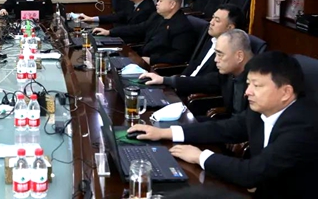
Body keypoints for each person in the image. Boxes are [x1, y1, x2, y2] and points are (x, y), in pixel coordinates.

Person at [128, 51, 318, 199]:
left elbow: (252, 173)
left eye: (257, 86)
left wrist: (200, 156)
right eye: (248, 84)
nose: (247, 92)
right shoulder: (261, 109)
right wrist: (164, 133)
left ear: (286, 92)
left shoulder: (303, 127)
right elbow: (224, 128)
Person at [140, 29, 253, 118]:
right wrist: (164, 79)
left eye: (220, 54)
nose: (215, 60)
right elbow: (201, 81)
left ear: (239, 56)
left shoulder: (258, 82)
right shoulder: (228, 74)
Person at [93, 0, 196, 65]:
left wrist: (151, 60)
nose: (157, 3)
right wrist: (110, 32)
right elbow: (138, 28)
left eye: (160, 1)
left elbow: (179, 56)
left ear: (172, 4)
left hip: (156, 67)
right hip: (141, 57)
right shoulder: (157, 16)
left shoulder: (182, 26)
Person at [181, 3, 246, 77]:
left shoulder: (229, 53)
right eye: (213, 18)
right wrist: (180, 78)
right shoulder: (212, 40)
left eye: (217, 20)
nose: (211, 22)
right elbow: (195, 64)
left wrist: (179, 81)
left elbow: (212, 80)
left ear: (230, 27)